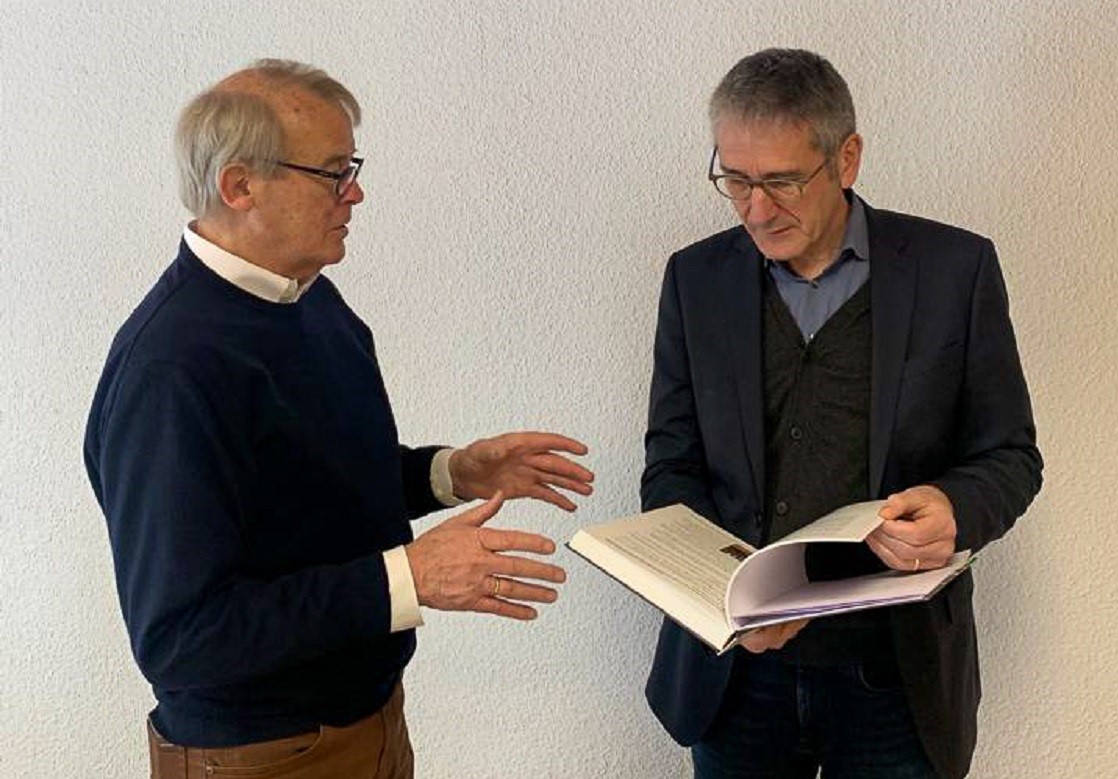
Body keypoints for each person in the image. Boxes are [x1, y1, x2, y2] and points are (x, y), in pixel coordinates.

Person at [83, 59, 594, 779]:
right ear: (239, 185)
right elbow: (180, 636)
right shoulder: (171, 370)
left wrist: (451, 472)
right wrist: (410, 576)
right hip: (263, 755)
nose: (355, 192)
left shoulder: (310, 299)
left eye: (350, 166)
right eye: (331, 172)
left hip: (370, 721)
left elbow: (313, 488)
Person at [641, 49, 1042, 779]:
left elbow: (1010, 454)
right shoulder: (695, 279)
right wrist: (723, 594)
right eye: (734, 179)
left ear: (847, 157)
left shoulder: (957, 270)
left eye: (782, 181)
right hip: (734, 674)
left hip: (896, 674)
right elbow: (672, 464)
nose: (756, 209)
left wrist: (956, 507)